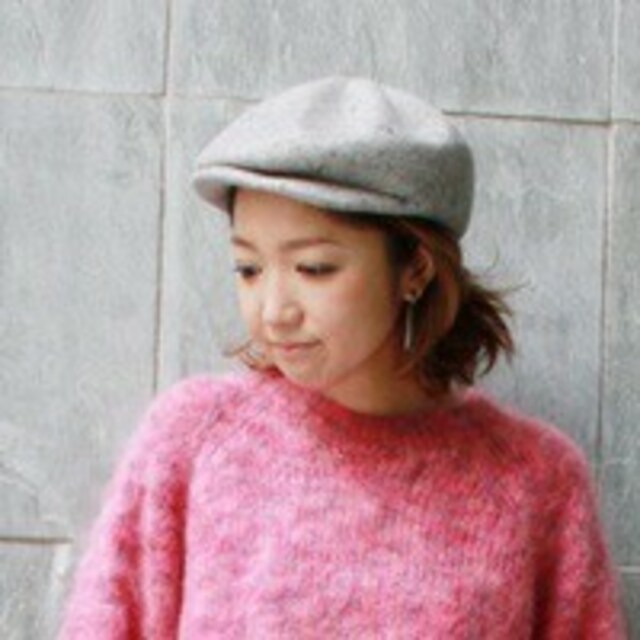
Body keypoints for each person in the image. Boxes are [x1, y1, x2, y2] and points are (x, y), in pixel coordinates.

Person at [57, 76, 628, 639]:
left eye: (313, 269)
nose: (274, 310)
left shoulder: (535, 480)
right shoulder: (195, 438)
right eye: (249, 269)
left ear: (415, 269)